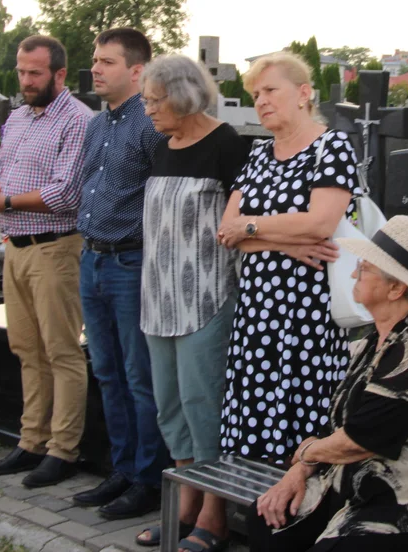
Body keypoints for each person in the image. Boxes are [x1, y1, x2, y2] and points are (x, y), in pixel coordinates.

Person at [251, 215, 408, 552]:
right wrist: (300, 470)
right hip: (364, 483)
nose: (352, 273)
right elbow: (345, 430)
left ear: (396, 288)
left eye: (363, 268)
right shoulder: (377, 338)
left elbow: (361, 441)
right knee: (269, 519)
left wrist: (305, 453)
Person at [131, 55, 251, 551]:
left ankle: (215, 513)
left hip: (206, 295)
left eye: (154, 101)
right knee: (171, 407)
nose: (148, 111)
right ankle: (185, 502)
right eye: (145, 101)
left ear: (182, 96)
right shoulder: (163, 147)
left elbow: (238, 224)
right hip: (158, 295)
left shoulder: (225, 145)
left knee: (204, 406)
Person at [216, 51, 357, 464]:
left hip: (306, 315)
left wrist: (252, 229)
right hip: (257, 312)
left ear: (303, 93)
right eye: (256, 93)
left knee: (301, 414)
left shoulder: (332, 147)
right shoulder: (259, 154)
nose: (261, 100)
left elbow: (320, 224)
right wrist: (284, 241)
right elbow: (227, 229)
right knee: (253, 408)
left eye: (270, 90)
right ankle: (251, 507)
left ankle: (296, 510)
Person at [0, 35, 90, 488]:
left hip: (56, 247)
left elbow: (66, 193)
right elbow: (0, 166)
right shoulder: (19, 117)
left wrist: (5, 201)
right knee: (26, 349)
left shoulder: (77, 121)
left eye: (34, 73)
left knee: (61, 351)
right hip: (14, 245)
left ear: (59, 74)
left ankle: (63, 450)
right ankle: (31, 441)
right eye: (22, 72)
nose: (25, 81)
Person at [71, 28, 170, 520]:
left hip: (131, 262)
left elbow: (165, 198)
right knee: (106, 371)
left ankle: (148, 479)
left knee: (138, 376)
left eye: (107, 61)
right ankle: (122, 468)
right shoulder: (95, 124)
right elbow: (84, 185)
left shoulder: (152, 125)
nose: (96, 68)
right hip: (91, 258)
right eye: (95, 60)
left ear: (136, 70)